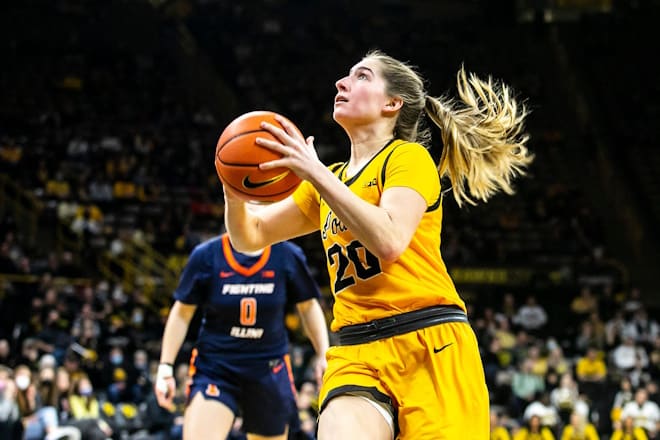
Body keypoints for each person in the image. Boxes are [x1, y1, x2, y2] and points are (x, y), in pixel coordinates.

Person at [222, 49, 533, 439]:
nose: (342, 82)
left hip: (429, 344)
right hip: (356, 351)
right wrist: (233, 190)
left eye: (362, 76)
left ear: (392, 103)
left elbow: (388, 240)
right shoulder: (327, 182)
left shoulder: (408, 158)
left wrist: (316, 174)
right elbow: (248, 236)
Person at [155, 232, 329, 440]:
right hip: (217, 367)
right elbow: (181, 312)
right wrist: (165, 366)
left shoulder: (286, 255)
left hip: (268, 367)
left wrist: (323, 353)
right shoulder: (207, 255)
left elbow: (308, 306)